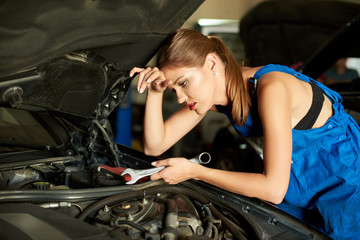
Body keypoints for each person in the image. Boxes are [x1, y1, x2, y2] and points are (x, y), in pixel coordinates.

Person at [130, 29, 360, 239]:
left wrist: (195, 172)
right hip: (302, 191)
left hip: (347, 187)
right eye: (173, 89)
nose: (179, 97)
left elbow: (273, 189)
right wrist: (154, 91)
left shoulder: (271, 88)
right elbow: (155, 146)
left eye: (184, 83)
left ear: (211, 64)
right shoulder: (214, 99)